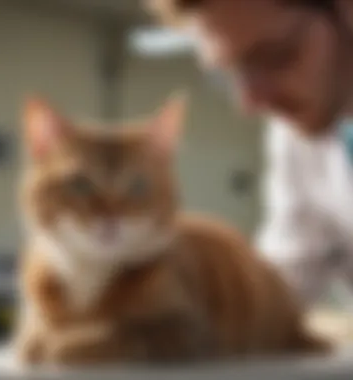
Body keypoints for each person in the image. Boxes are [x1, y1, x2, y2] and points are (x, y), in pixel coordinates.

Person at [146, 0, 353, 305]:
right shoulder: (298, 137)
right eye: (233, 72)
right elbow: (280, 285)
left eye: (275, 57)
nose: (250, 102)